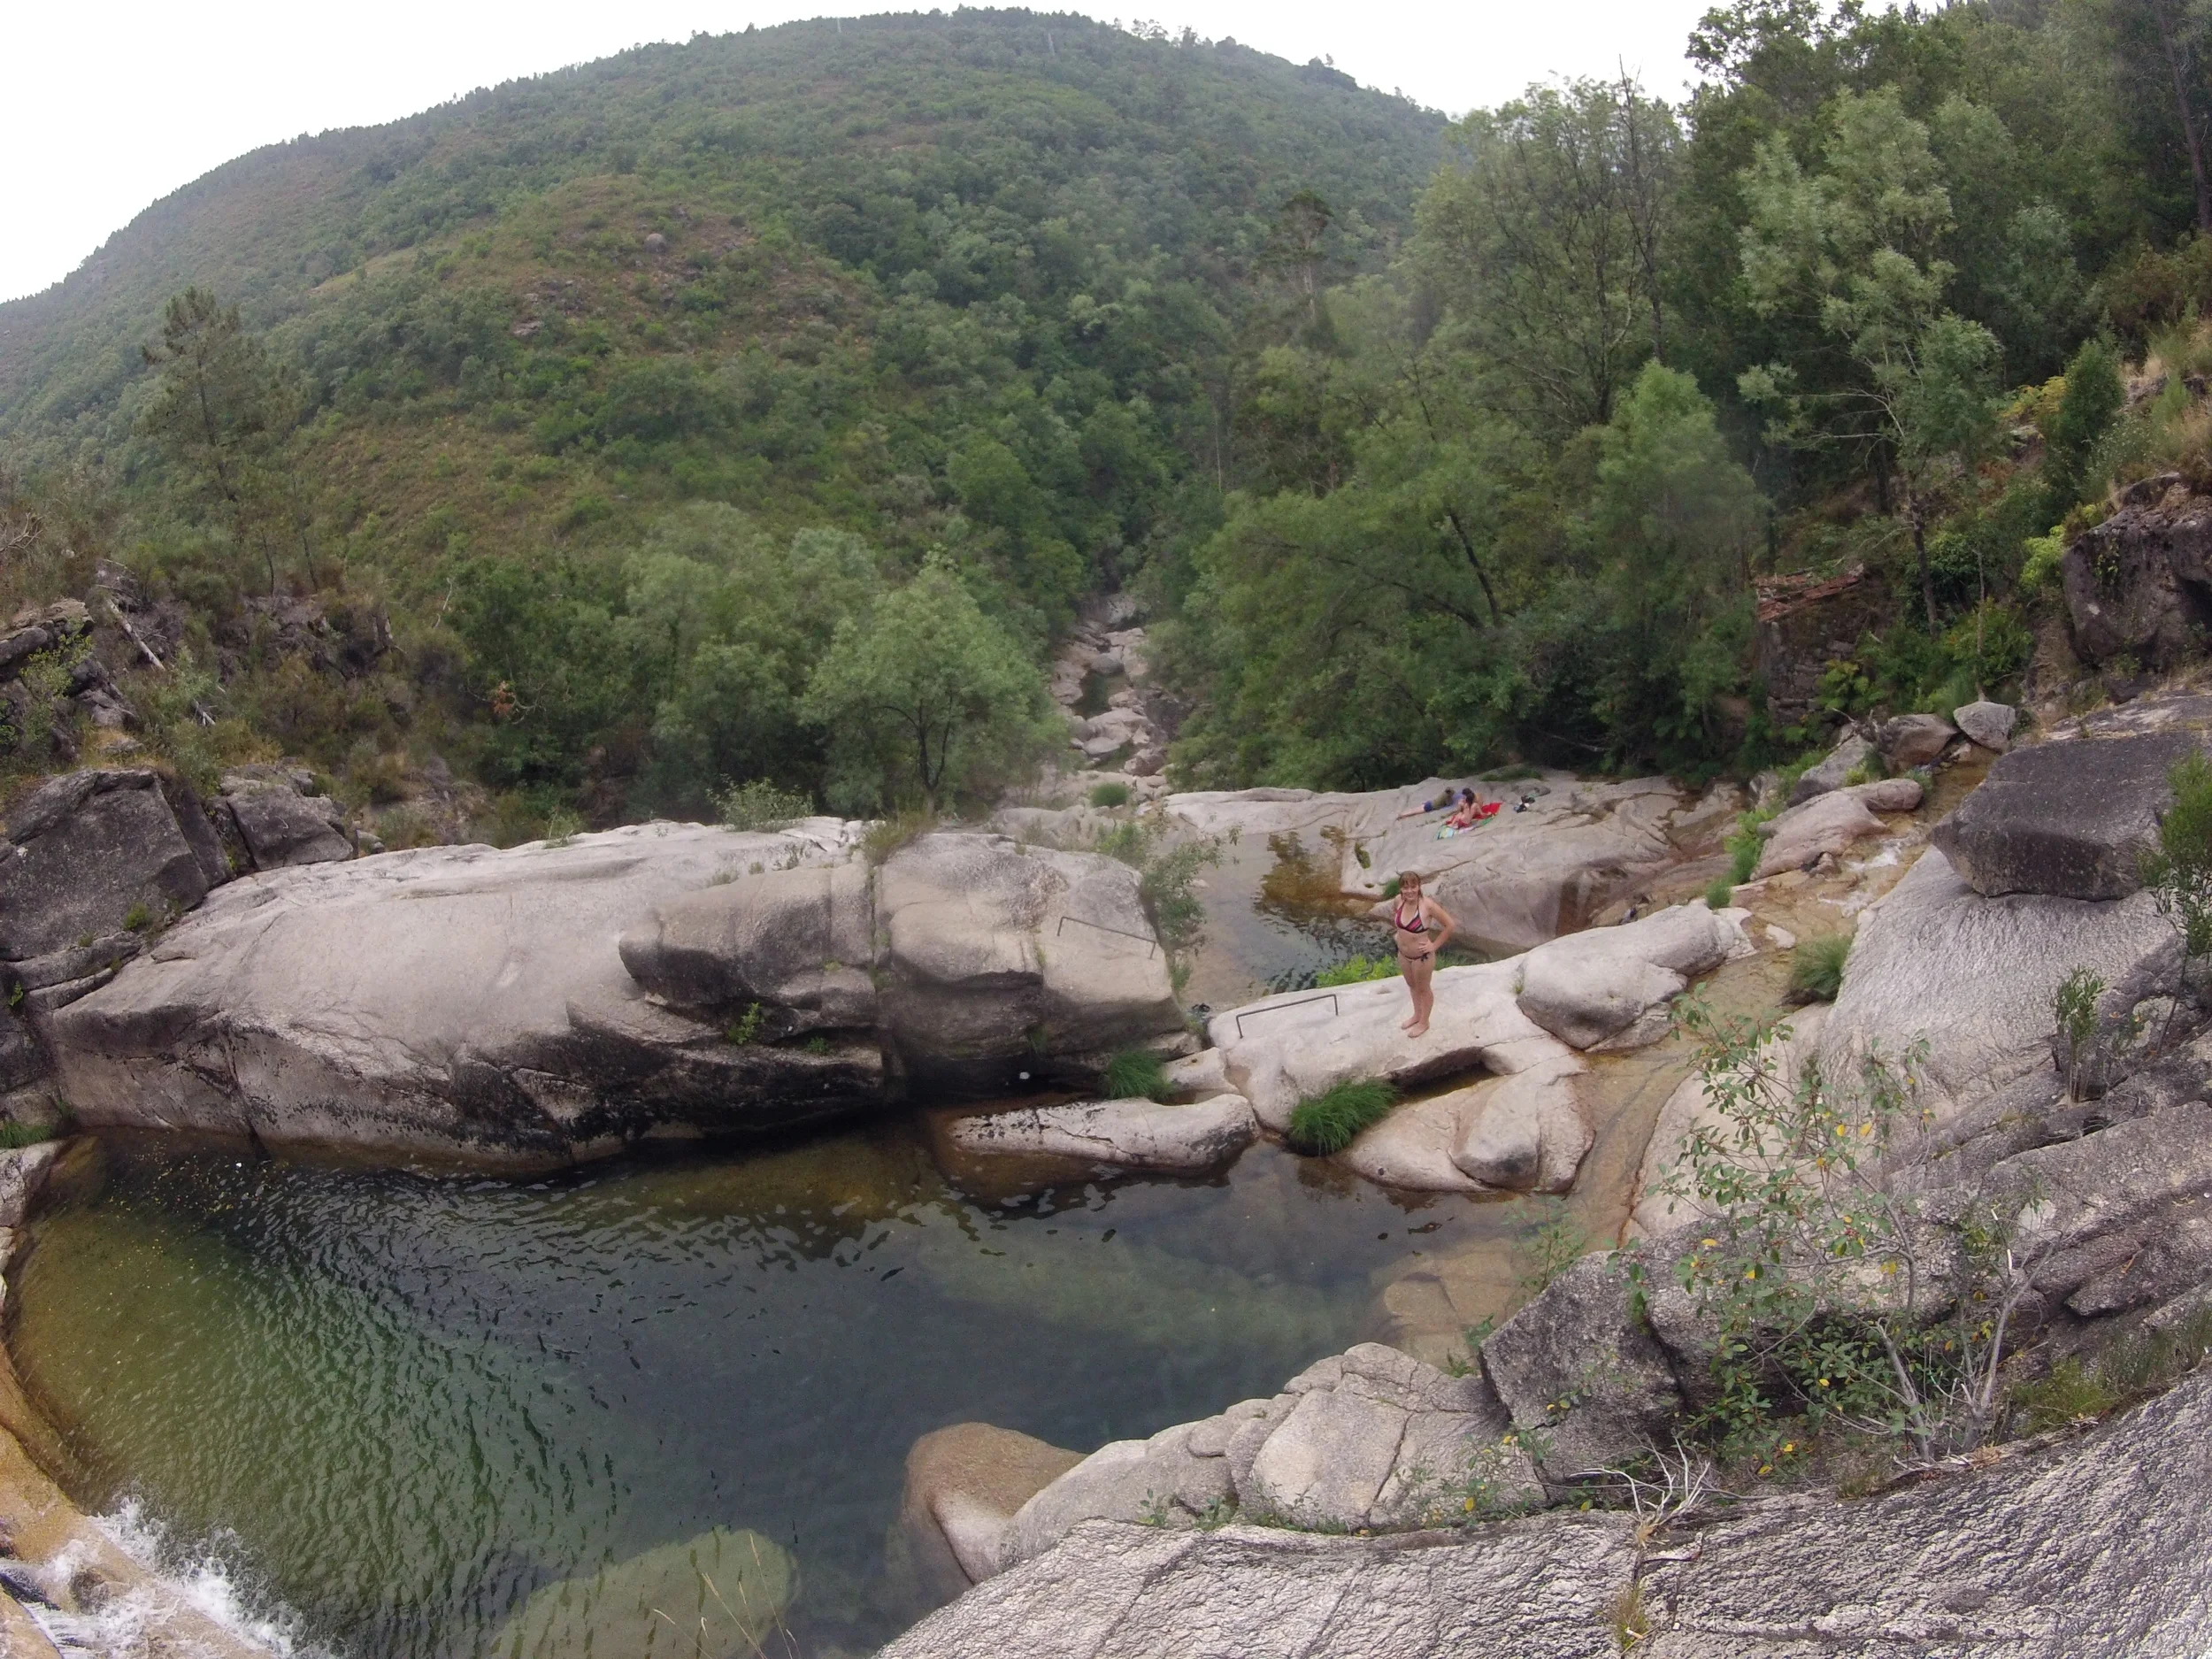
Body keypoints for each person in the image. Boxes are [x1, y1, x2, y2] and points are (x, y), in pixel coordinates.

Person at [1390, 870, 1456, 1038]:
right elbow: (1397, 919)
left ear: (1419, 887)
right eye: (1406, 888)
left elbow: (1450, 925)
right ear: (1401, 889)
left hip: (1422, 957)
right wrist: (1399, 935)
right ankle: (1417, 1015)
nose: (1410, 891)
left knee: (1423, 989)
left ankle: (1424, 1022)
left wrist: (1434, 945)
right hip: (1403, 955)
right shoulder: (1398, 901)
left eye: (1413, 887)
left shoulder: (1428, 906)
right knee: (1412, 986)